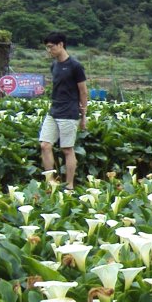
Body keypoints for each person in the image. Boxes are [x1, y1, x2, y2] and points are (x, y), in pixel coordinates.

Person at [39, 32, 88, 190]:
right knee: (45, 145)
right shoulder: (54, 65)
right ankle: (50, 182)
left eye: (51, 47)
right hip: (54, 110)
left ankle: (70, 185)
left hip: (69, 112)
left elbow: (83, 91)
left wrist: (83, 116)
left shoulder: (75, 66)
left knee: (67, 149)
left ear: (61, 45)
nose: (49, 50)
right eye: (47, 47)